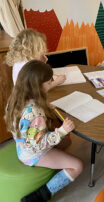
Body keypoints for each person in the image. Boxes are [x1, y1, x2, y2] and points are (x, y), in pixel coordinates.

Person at [5, 60, 83, 202]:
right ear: (37, 87)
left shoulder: (16, 98)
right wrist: (61, 131)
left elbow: (26, 123)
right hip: (31, 153)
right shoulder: (36, 115)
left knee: (66, 143)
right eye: (48, 83)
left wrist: (44, 105)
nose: (50, 84)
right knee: (77, 166)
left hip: (22, 144)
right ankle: (42, 194)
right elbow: (38, 144)